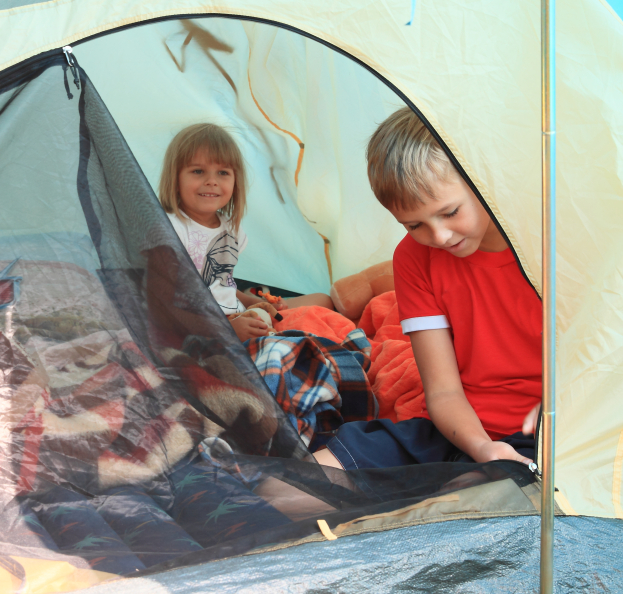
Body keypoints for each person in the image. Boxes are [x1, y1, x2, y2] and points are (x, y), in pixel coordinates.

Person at [314, 107, 541, 470]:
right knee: (294, 486)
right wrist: (482, 448)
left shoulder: (551, 242)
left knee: (477, 513)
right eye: (414, 225)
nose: (439, 236)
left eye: (450, 212)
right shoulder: (414, 258)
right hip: (453, 430)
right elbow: (444, 392)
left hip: (545, 438)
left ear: (484, 179)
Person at [157, 123, 332, 342]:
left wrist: (255, 303)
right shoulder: (170, 229)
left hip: (239, 315)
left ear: (235, 182)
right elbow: (163, 304)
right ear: (175, 179)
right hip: (204, 326)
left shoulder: (230, 230)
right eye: (198, 171)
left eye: (223, 172)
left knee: (323, 300)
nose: (211, 181)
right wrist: (227, 331)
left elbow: (223, 285)